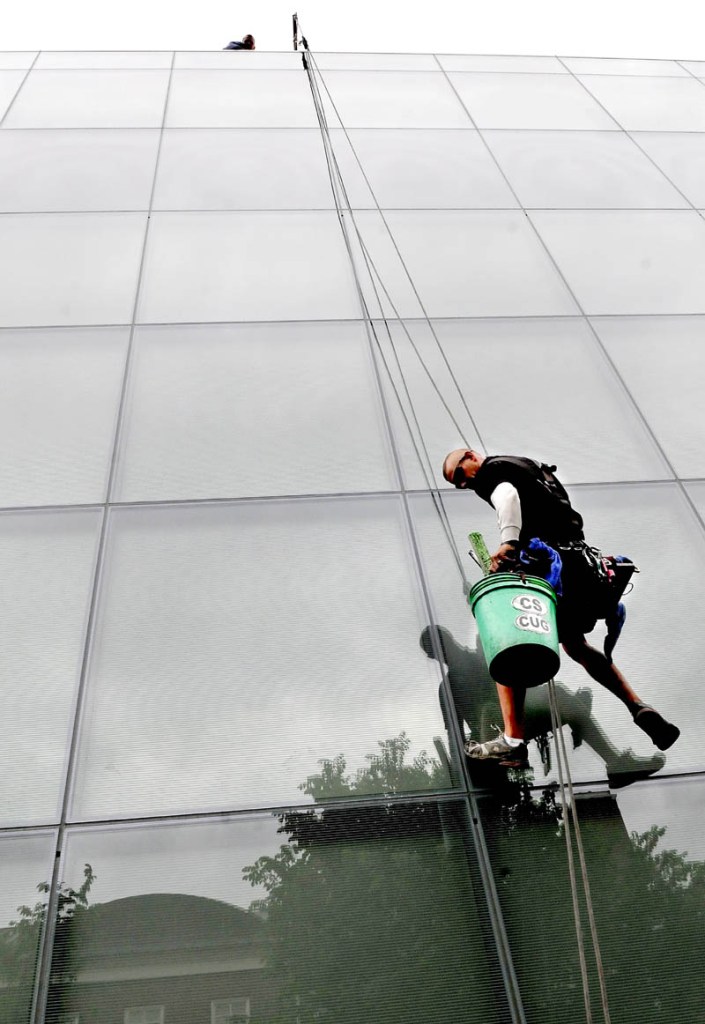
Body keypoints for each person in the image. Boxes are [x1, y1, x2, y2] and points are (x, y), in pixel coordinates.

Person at [442, 448, 680, 768]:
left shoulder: (493, 472)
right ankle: (638, 706)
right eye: (454, 482)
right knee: (576, 646)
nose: (461, 484)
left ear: (471, 456)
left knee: (508, 645)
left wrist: (509, 542)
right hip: (580, 567)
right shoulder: (527, 466)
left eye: (459, 474)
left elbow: (506, 495)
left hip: (548, 568)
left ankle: (513, 739)